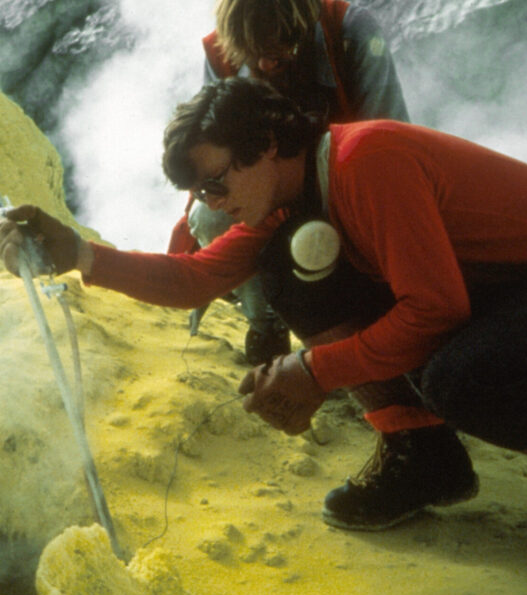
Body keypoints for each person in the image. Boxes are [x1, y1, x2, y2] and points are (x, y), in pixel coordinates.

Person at [0, 77, 527, 585]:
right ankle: (422, 454)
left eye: (218, 183)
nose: (213, 205)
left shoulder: (368, 162)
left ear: (270, 144)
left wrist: (313, 371)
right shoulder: (291, 194)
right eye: (202, 194)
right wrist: (76, 254)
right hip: (503, 293)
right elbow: (194, 279)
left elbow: (437, 311)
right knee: (288, 271)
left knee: (462, 376)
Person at [170, 0, 410, 366]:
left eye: (280, 54)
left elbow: (390, 139)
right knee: (211, 216)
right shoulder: (223, 51)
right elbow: (212, 156)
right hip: (270, 189)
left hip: (349, 182)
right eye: (254, 56)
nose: (265, 66)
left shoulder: (351, 32)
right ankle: (266, 325)